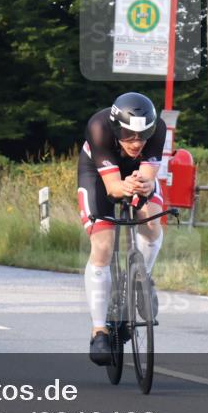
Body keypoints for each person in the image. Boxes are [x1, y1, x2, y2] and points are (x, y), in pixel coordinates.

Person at [76, 92, 166, 365]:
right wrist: (124, 187)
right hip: (99, 174)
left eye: (143, 137)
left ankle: (142, 278)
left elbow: (148, 177)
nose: (137, 143)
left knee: (150, 223)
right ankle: (99, 329)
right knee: (103, 245)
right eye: (129, 137)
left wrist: (143, 186)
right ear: (117, 129)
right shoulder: (99, 127)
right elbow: (114, 188)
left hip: (135, 175)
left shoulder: (157, 129)